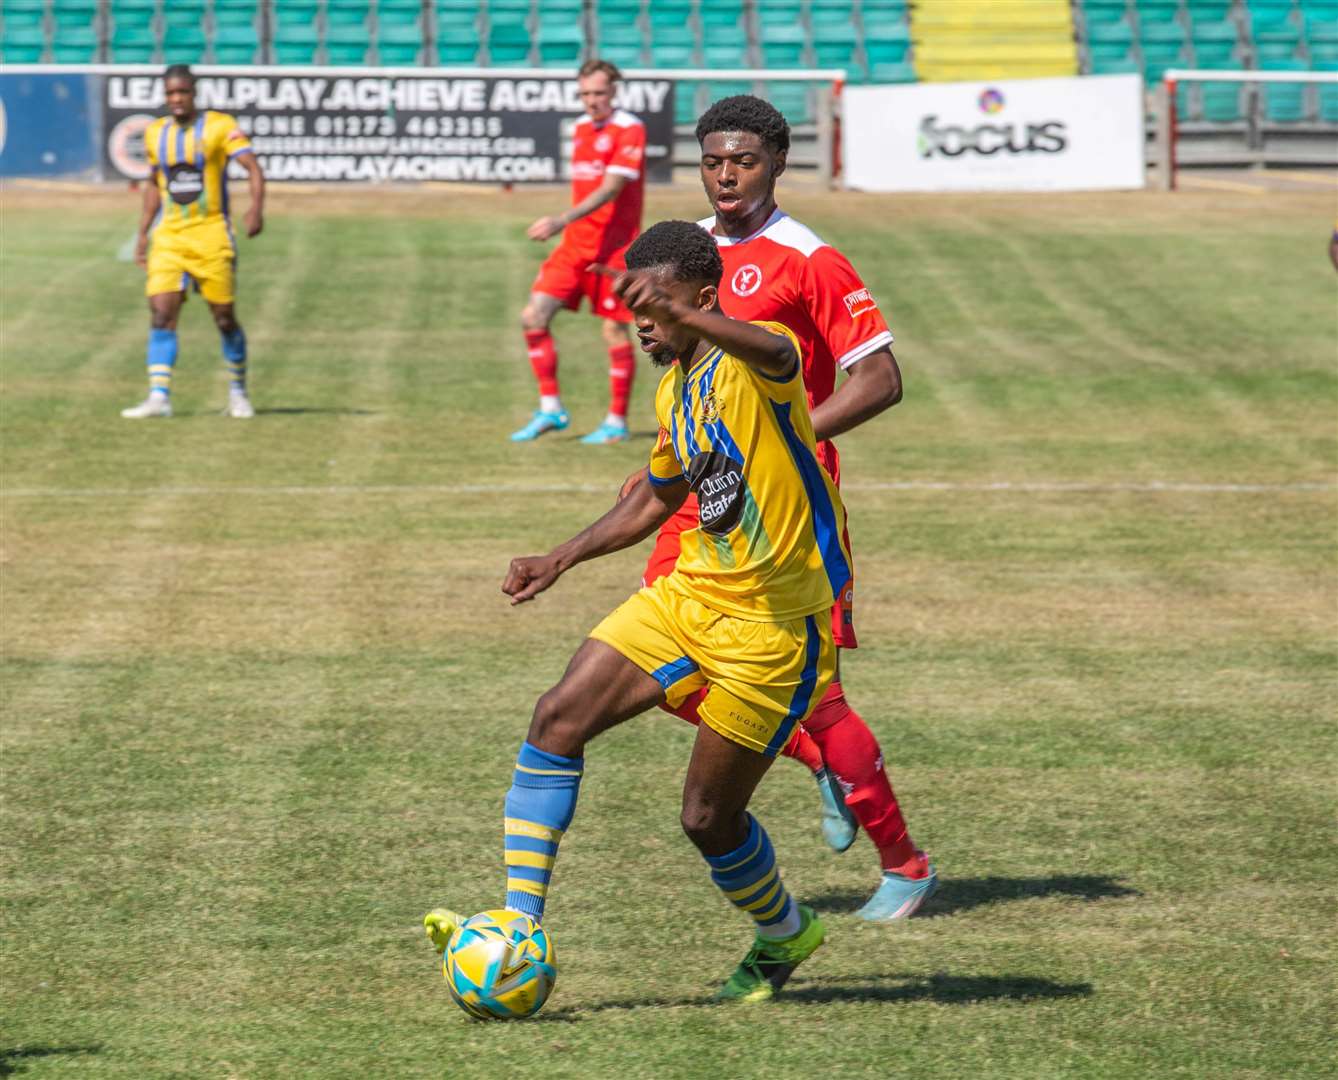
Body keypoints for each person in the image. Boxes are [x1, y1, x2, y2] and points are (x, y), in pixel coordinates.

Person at [427, 219, 852, 1002]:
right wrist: (560, 556)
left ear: (703, 298)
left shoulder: (753, 359)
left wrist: (690, 319)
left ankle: (787, 931)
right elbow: (661, 491)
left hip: (774, 629)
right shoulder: (676, 388)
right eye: (640, 315)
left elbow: (784, 353)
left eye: (660, 311)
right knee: (556, 718)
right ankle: (522, 925)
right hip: (689, 596)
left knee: (706, 821)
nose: (646, 327)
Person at [620, 96, 936, 922]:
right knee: (658, 663)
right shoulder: (686, 251)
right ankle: (811, 759)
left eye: (746, 161)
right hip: (705, 495)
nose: (727, 176)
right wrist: (668, 459)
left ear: (778, 163)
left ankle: (904, 864)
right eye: (714, 161)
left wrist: (783, 435)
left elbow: (881, 379)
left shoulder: (810, 259)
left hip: (787, 514)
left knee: (819, 693)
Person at [512, 59, 646, 445]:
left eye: (599, 93)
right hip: (575, 248)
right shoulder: (582, 128)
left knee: (614, 330)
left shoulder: (629, 128)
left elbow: (611, 188)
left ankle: (616, 422)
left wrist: (561, 218)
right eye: (586, 93)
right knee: (533, 316)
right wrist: (569, 226)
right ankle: (551, 408)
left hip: (614, 251)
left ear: (614, 92)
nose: (592, 100)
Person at [121, 64, 265, 420]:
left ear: (194, 93)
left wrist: (256, 209)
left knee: (224, 318)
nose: (176, 99)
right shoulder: (157, 134)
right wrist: (143, 233)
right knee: (161, 313)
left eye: (182, 92)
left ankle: (238, 391)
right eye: (170, 93)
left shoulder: (219, 127)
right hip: (170, 238)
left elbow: (252, 168)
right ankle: (159, 397)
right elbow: (156, 184)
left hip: (211, 236)